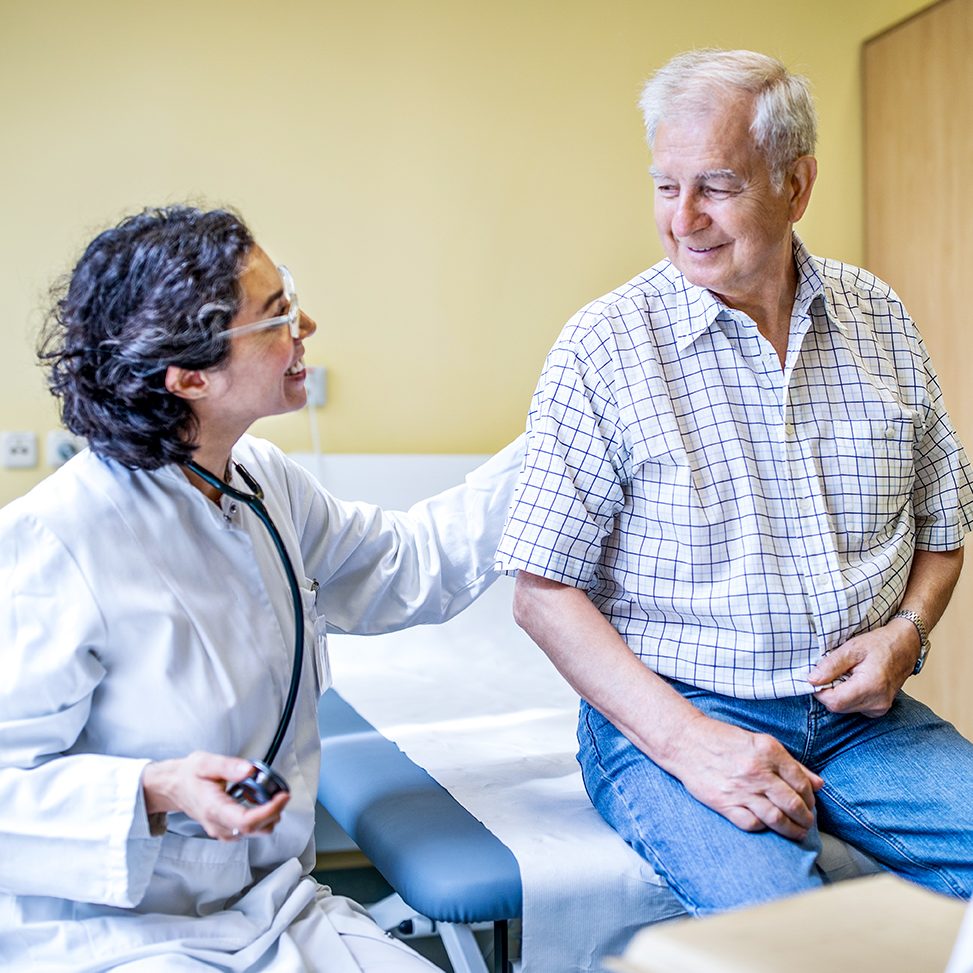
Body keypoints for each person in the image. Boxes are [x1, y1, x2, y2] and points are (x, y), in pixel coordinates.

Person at [496, 49, 973, 916]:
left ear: (796, 185)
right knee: (789, 940)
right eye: (664, 186)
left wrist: (906, 633)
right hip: (676, 713)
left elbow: (944, 527)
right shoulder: (605, 346)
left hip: (862, 723)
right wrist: (692, 745)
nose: (683, 219)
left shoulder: (877, 318)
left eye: (715, 186)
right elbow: (540, 593)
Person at [0, 205, 521, 971]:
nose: (306, 325)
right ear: (190, 377)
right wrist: (155, 787)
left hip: (274, 905)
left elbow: (403, 566)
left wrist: (556, 440)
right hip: (108, 932)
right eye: (277, 315)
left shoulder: (260, 482)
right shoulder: (56, 538)